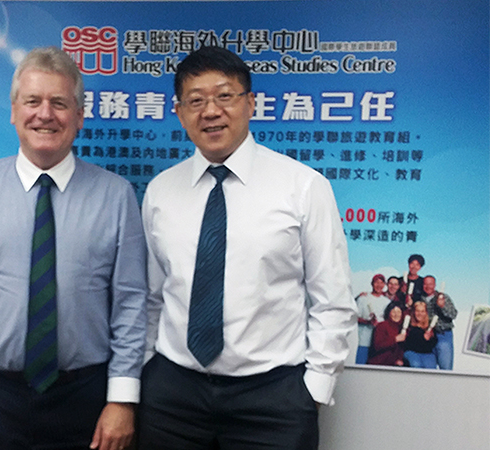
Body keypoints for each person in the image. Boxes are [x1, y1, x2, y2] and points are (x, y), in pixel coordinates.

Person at [0, 47, 147, 450]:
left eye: (59, 103)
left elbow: (131, 304)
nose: (45, 114)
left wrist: (122, 399)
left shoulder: (116, 196)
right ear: (14, 111)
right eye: (32, 101)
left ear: (79, 115)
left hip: (87, 399)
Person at [138, 46, 356, 450]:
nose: (211, 111)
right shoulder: (160, 191)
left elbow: (333, 300)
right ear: (179, 112)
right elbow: (153, 296)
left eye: (225, 96)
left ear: (251, 103)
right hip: (173, 397)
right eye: (196, 100)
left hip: (272, 399)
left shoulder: (303, 186)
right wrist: (148, 370)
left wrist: (314, 388)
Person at [422, 275, 458, 370]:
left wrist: (442, 307)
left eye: (430, 284)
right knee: (428, 370)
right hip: (426, 338)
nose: (428, 287)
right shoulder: (420, 299)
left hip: (443, 335)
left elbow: (453, 314)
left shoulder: (444, 297)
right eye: (425, 284)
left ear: (435, 285)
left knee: (445, 368)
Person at [355, 274, 391, 364]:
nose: (379, 285)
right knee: (361, 365)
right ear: (372, 284)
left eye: (381, 283)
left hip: (379, 342)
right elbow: (355, 318)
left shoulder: (387, 302)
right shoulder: (363, 298)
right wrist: (367, 322)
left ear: (384, 285)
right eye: (376, 282)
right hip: (364, 340)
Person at [367, 302, 407, 366]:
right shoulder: (382, 326)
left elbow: (401, 349)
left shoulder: (402, 328)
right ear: (389, 313)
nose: (396, 315)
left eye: (399, 312)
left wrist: (399, 359)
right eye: (393, 312)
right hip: (378, 364)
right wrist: (395, 339)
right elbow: (377, 346)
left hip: (393, 364)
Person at [403, 301, 438, 369]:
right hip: (412, 352)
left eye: (422, 311)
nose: (420, 314)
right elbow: (407, 344)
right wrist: (423, 338)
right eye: (417, 311)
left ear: (426, 313)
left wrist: (429, 339)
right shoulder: (408, 326)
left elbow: (433, 344)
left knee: (430, 366)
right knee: (416, 364)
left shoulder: (429, 327)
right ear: (414, 312)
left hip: (427, 353)